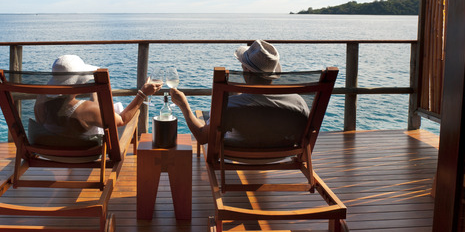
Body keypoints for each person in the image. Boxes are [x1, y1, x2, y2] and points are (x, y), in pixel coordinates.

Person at [169, 40, 309, 146]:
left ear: (246, 71)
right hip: (281, 155)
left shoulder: (230, 106)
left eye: (242, 66)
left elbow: (203, 137)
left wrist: (183, 105)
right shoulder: (298, 102)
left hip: (238, 153)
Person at [30, 54, 161, 146]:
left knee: (105, 113)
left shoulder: (42, 103)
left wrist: (93, 90)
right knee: (128, 116)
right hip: (87, 152)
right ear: (80, 82)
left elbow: (95, 110)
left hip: (54, 150)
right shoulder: (86, 110)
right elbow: (122, 121)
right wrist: (143, 93)